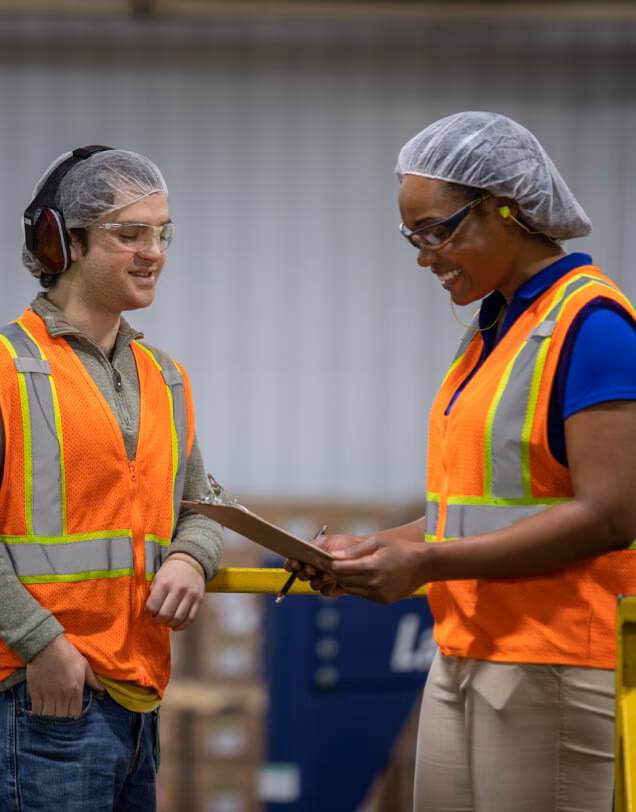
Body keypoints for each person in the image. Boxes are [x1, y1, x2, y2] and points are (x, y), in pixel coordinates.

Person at [287, 111, 636, 811]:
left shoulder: (594, 328)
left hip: (556, 661)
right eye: (412, 238)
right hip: (467, 648)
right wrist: (378, 546)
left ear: (507, 207)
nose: (425, 256)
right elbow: (475, 509)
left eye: (437, 231)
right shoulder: (495, 331)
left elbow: (610, 516)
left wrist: (425, 565)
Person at [0, 145, 223, 811]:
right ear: (61, 242)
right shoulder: (8, 369)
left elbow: (205, 502)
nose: (153, 252)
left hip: (137, 700)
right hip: (40, 697)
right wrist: (43, 646)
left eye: (162, 233)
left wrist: (192, 556)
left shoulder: (165, 376)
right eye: (130, 235)